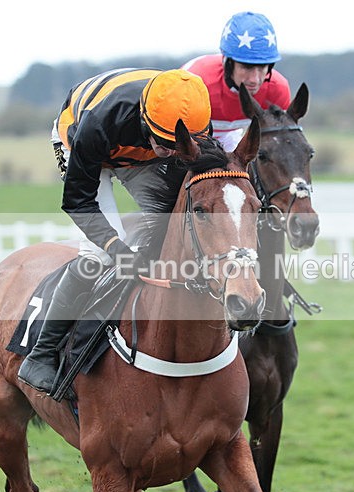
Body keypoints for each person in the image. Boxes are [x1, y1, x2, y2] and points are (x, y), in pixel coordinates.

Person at [18, 68, 212, 394]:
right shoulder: (98, 124)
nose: (171, 154)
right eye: (165, 145)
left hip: (136, 146)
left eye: (178, 146)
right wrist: (116, 247)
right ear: (146, 121)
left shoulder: (195, 122)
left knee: (171, 225)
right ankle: (41, 355)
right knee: (99, 256)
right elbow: (78, 201)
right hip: (82, 140)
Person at [183, 11, 291, 151]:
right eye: (246, 67)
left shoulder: (278, 90)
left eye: (262, 67)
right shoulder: (196, 83)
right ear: (227, 63)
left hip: (230, 137)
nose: (254, 79)